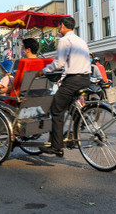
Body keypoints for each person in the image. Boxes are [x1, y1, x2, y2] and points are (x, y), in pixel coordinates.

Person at [38, 16, 91, 157]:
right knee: (72, 108)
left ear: (62, 26)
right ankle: (72, 135)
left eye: (58, 27)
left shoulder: (64, 40)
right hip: (86, 79)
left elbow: (59, 64)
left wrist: (43, 71)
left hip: (72, 81)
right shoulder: (81, 40)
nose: (58, 30)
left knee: (56, 109)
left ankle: (57, 146)